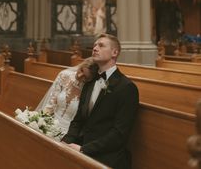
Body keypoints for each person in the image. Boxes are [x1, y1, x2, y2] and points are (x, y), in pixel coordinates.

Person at [62, 33, 139, 169]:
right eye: (94, 45)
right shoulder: (90, 82)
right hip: (82, 148)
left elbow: (119, 134)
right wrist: (64, 143)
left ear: (114, 52)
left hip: (107, 157)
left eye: (101, 45)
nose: (95, 48)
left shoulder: (127, 88)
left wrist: (83, 149)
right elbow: (78, 119)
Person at [35, 57, 98, 140]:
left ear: (90, 79)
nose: (79, 75)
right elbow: (50, 104)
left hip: (69, 134)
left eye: (85, 77)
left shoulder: (90, 90)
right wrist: (41, 122)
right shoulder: (64, 76)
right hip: (50, 122)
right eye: (81, 70)